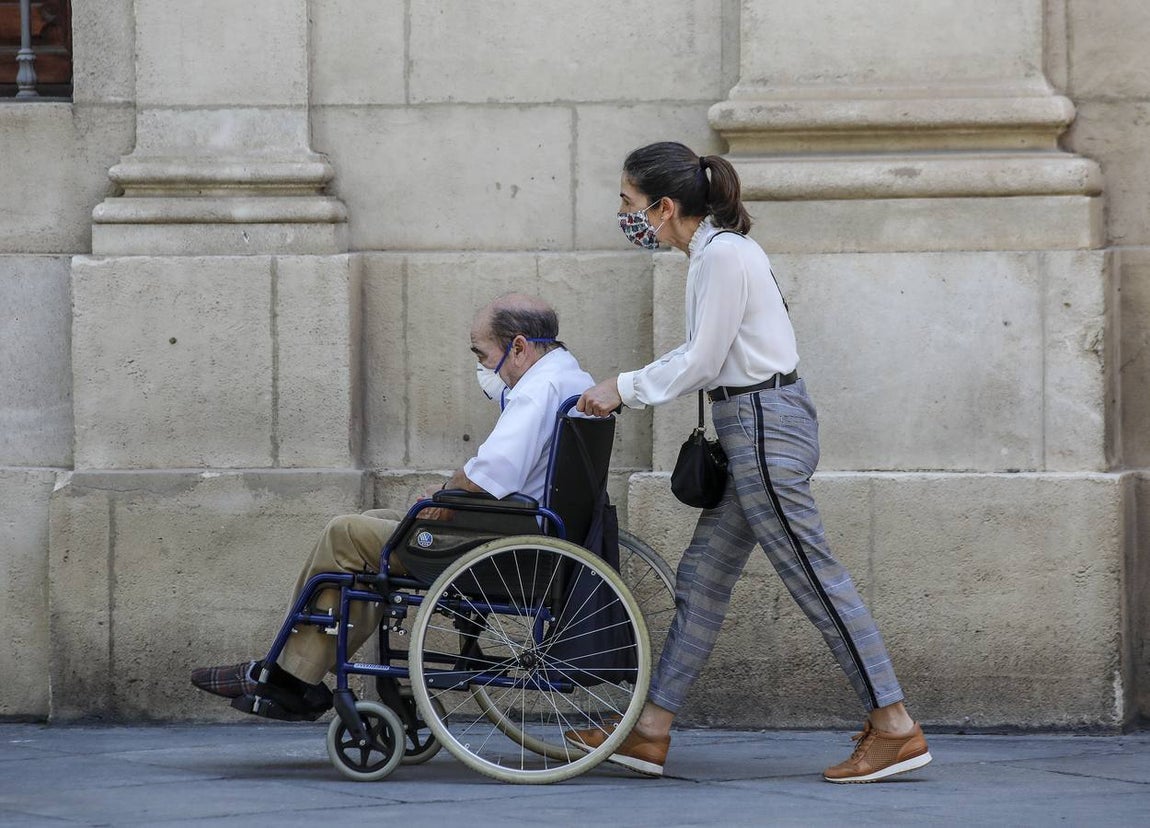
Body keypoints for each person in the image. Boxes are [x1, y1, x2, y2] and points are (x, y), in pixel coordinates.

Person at [567, 142, 931, 783]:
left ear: (665, 206)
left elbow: (704, 360)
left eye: (628, 202)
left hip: (763, 427)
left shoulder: (725, 256)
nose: (623, 213)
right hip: (753, 427)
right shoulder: (714, 255)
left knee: (815, 579)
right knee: (703, 577)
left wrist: (620, 387)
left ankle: (895, 725)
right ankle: (649, 730)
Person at [191, 293, 594, 718]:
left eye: (482, 353)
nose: (481, 366)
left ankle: (289, 677)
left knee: (345, 533)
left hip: (502, 540)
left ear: (517, 346)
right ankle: (298, 672)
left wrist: (443, 496)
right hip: (525, 530)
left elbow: (487, 474)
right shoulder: (569, 376)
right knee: (373, 525)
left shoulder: (537, 390)